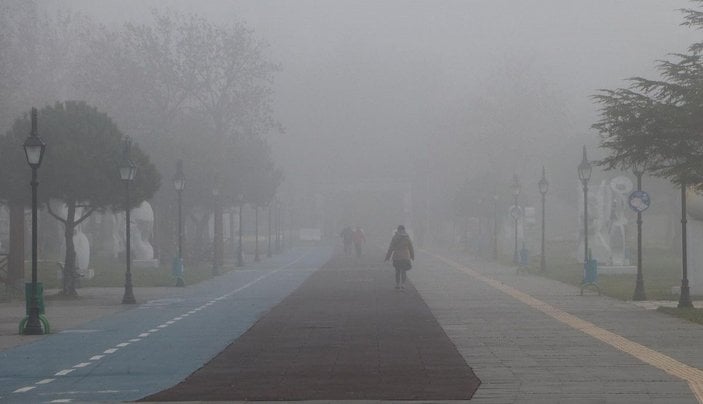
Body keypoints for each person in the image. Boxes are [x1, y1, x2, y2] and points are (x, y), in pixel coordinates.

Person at [384, 225, 415, 290]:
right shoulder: (407, 238)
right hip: (405, 257)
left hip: (397, 257)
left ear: (398, 230)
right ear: (404, 230)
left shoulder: (395, 237)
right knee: (403, 271)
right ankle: (403, 284)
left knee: (397, 271)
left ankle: (397, 284)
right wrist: (412, 256)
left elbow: (391, 248)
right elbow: (411, 248)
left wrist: (387, 257)